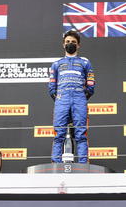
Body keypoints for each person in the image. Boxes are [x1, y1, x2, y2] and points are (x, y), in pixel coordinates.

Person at [49, 30, 95, 163]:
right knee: (59, 134)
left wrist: (81, 96)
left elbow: (91, 84)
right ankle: (56, 164)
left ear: (78, 45)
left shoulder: (85, 62)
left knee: (81, 134)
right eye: (68, 42)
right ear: (63, 44)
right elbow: (52, 87)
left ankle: (82, 165)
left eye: (73, 42)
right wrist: (59, 98)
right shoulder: (56, 64)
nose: (70, 44)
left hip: (79, 99)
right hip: (61, 101)